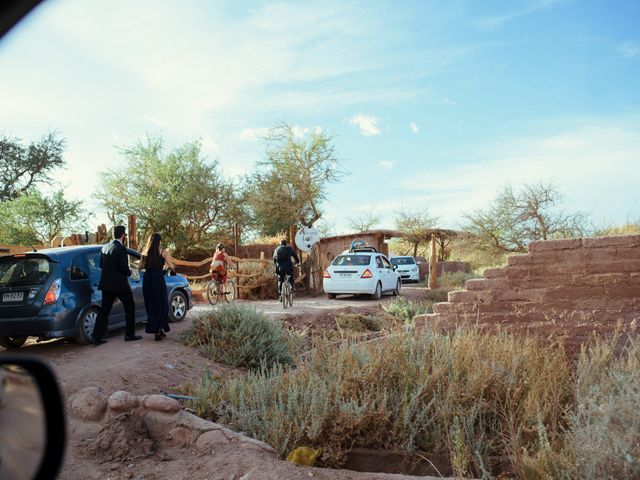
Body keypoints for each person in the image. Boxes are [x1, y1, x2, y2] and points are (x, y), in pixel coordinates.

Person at [91, 225, 141, 345]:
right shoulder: (121, 249)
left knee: (104, 311)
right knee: (130, 307)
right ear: (123, 235)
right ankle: (129, 334)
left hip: (106, 284)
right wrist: (131, 273)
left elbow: (102, 266)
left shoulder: (104, 248)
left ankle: (96, 337)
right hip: (120, 284)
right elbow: (124, 268)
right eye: (125, 235)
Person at [140, 233, 175, 341]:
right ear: (159, 241)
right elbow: (172, 266)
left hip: (147, 279)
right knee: (162, 304)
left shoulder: (145, 252)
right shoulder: (163, 252)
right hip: (158, 279)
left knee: (151, 305)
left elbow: (140, 267)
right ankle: (159, 329)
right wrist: (165, 269)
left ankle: (157, 330)